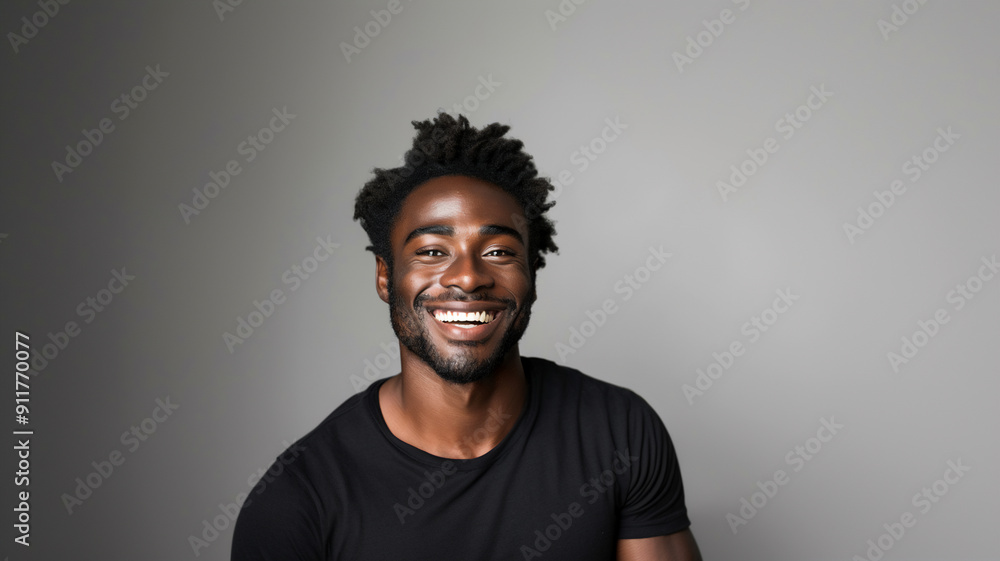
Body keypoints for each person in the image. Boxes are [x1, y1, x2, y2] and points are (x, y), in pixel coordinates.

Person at [231, 113, 702, 560]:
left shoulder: (620, 432)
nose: (469, 277)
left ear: (531, 274)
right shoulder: (297, 501)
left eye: (498, 251)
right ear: (384, 276)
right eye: (433, 251)